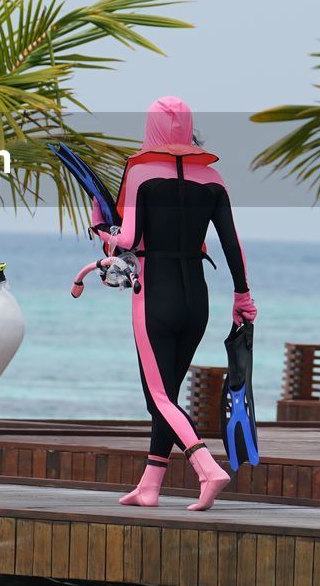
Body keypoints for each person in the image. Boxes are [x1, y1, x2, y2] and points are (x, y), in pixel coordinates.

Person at [95, 96, 256, 511]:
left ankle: (207, 468)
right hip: (195, 299)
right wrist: (242, 295)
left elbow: (127, 240)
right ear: (188, 129)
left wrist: (100, 226)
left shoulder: (141, 173)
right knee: (168, 393)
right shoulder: (214, 179)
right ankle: (150, 486)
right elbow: (231, 243)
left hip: (154, 295)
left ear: (152, 129)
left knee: (158, 399)